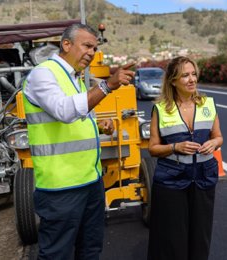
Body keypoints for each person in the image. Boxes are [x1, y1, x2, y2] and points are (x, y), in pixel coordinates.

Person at [22, 23, 135, 260]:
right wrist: (108, 85)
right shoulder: (44, 74)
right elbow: (63, 111)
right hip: (61, 188)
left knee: (90, 249)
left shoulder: (75, 78)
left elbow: (78, 116)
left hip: (90, 181)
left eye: (94, 48)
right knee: (56, 254)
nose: (92, 53)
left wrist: (98, 124)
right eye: (87, 46)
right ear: (66, 44)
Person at [147, 56, 223, 260]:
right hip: (172, 181)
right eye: (185, 75)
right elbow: (153, 148)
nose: (192, 79)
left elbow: (218, 137)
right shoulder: (160, 109)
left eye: (193, 74)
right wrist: (174, 147)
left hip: (203, 179)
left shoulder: (208, 104)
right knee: (173, 239)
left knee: (201, 236)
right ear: (173, 81)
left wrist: (213, 143)